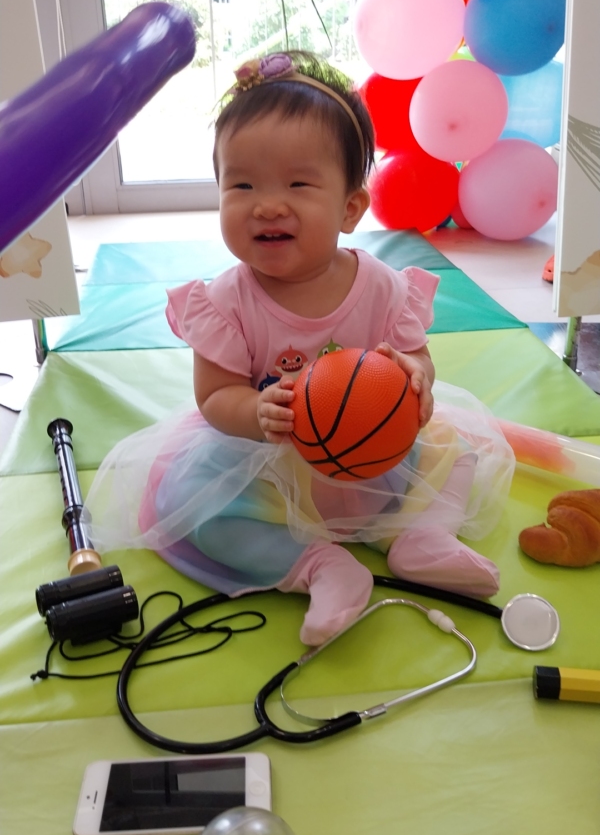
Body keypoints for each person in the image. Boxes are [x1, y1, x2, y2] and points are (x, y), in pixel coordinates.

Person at [87, 52, 514, 646]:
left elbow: (417, 357)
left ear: (349, 208)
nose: (266, 204)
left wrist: (414, 374)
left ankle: (424, 537)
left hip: (370, 455)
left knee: (458, 450)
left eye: (297, 183)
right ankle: (317, 566)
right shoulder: (225, 301)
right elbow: (214, 395)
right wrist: (255, 413)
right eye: (241, 184)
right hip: (266, 462)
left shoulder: (384, 286)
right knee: (190, 503)